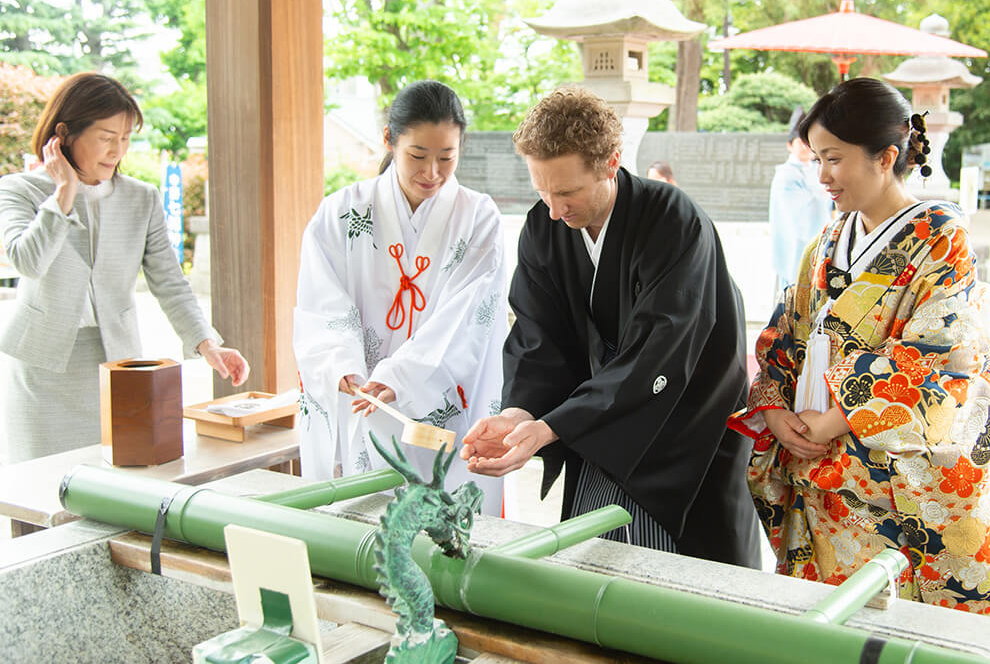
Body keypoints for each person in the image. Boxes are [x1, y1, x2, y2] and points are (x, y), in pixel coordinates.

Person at [730, 77, 990, 615]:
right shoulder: (826, 242)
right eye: (818, 159)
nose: (822, 176)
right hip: (819, 473)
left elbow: (938, 356)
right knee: (826, 618)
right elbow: (786, 332)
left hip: (892, 480)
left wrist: (833, 421)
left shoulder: (941, 239)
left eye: (834, 159)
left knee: (897, 625)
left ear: (885, 157)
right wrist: (775, 411)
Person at [461, 86, 760, 566]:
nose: (554, 209)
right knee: (593, 567)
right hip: (602, 418)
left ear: (611, 163)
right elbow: (539, 338)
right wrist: (521, 413)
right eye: (541, 191)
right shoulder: (544, 227)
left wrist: (553, 426)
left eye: (567, 192)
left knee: (691, 580)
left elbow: (660, 351)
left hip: (687, 425)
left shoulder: (673, 221)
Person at [0, 73, 249, 462]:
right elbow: (28, 261)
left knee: (115, 478)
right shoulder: (19, 190)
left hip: (118, 365)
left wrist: (208, 344)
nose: (117, 150)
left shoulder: (142, 198)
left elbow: (170, 281)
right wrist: (63, 194)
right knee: (43, 484)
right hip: (42, 371)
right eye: (106, 137)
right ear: (64, 134)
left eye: (126, 138)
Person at [294, 80, 506, 514]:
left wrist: (402, 376)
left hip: (439, 401)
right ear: (389, 140)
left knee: (442, 520)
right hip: (363, 394)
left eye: (446, 157)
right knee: (362, 526)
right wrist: (341, 364)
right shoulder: (340, 213)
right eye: (417, 156)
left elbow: (467, 316)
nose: (432, 172)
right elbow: (321, 302)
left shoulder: (478, 217)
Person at [769, 107, 829, 292]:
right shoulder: (785, 175)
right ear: (790, 145)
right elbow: (794, 210)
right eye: (799, 142)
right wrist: (820, 195)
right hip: (794, 243)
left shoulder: (818, 169)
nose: (804, 147)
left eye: (808, 143)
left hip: (819, 240)